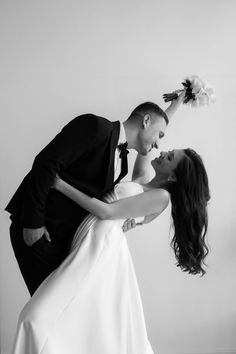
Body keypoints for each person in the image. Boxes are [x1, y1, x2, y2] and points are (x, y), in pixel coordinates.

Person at [11, 144, 210, 354]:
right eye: (168, 150)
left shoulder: (161, 197)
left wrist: (60, 185)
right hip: (90, 239)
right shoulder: (144, 182)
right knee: (65, 321)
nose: (162, 152)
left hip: (99, 249)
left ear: (174, 178)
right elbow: (148, 135)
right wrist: (176, 108)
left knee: (35, 318)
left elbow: (106, 212)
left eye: (170, 158)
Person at [5, 94, 183, 297]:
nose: (159, 144)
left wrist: (125, 220)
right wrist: (32, 222)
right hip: (40, 232)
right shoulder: (95, 126)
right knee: (44, 314)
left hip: (68, 244)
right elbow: (46, 163)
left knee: (58, 314)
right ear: (146, 121)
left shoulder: (123, 163)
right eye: (160, 134)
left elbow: (105, 205)